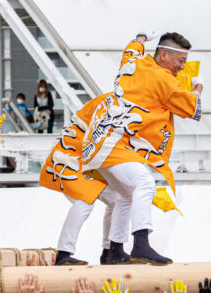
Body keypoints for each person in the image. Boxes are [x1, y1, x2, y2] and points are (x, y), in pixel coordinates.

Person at [78, 31, 204, 265]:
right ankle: (140, 244)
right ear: (163, 55)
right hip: (115, 144)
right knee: (144, 183)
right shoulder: (164, 80)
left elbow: (132, 47)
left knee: (127, 195)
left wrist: (142, 37)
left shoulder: (134, 60)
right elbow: (192, 109)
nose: (182, 68)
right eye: (181, 61)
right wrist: (198, 86)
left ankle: (113, 251)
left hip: (97, 141)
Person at [38, 97, 130, 265]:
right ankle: (64, 253)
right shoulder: (116, 104)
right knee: (84, 202)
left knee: (118, 199)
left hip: (85, 161)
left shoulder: (121, 102)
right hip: (68, 158)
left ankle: (109, 252)